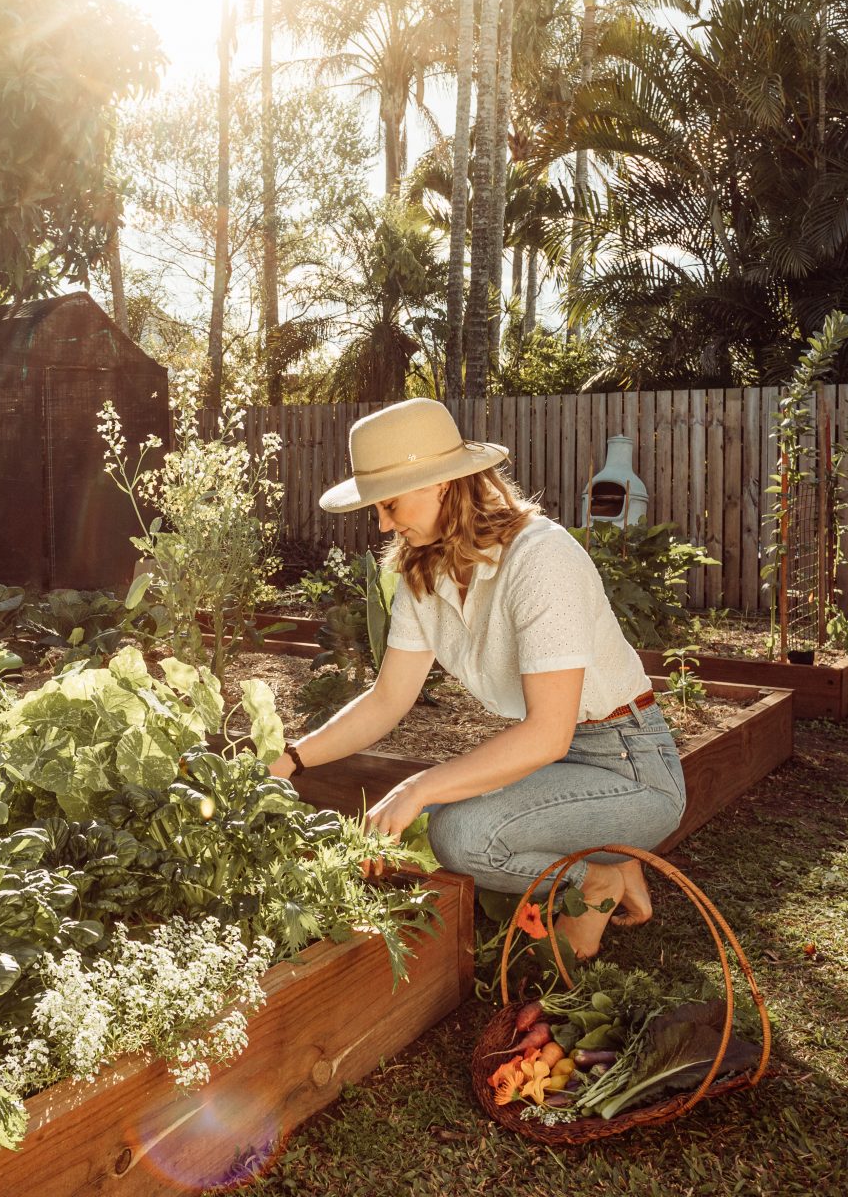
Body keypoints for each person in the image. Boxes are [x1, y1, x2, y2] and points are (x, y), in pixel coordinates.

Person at [266, 398, 685, 959]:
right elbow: (388, 699)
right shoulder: (422, 569)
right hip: (556, 765)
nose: (384, 523)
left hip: (630, 764)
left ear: (441, 485)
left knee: (459, 836)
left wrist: (417, 785)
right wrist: (291, 760)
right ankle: (608, 855)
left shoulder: (540, 559)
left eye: (389, 504)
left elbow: (547, 734)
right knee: (436, 815)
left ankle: (596, 880)